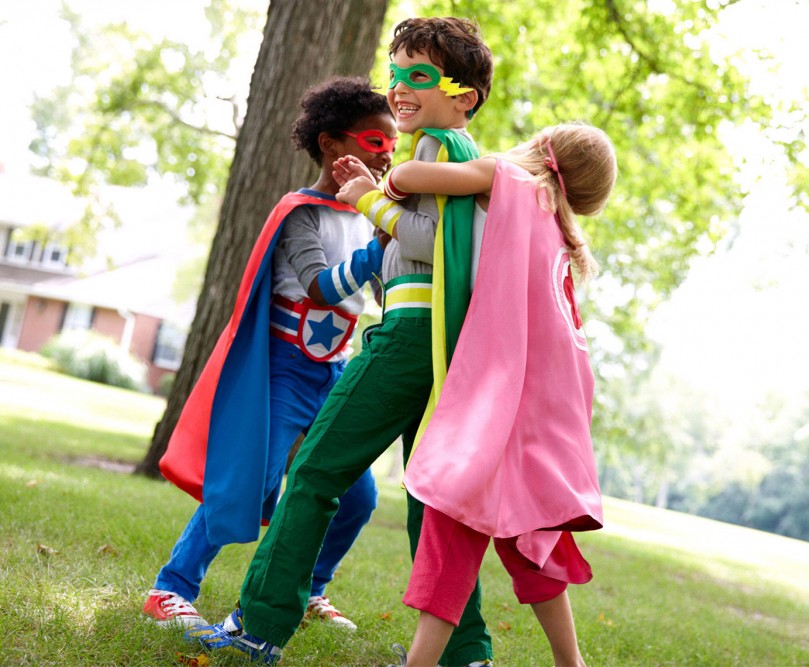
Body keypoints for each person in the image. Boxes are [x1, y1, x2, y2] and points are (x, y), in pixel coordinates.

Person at [184, 17, 496, 667]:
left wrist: (366, 199)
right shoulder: (463, 152)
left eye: (419, 75)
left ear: (463, 95)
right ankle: (465, 653)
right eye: (395, 72)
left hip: (411, 334)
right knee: (432, 501)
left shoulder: (435, 147)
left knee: (315, 473)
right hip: (447, 342)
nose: (400, 87)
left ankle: (258, 625)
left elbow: (429, 242)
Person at [339, 122, 616, 667]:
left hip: (499, 397)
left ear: (543, 148)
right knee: (530, 536)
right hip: (551, 407)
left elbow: (411, 174)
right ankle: (572, 664)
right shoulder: (556, 227)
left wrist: (372, 192)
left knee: (451, 521)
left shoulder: (507, 176)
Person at [144, 77, 396, 632]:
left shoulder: (369, 217)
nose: (387, 156)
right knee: (250, 479)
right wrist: (380, 247)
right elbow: (321, 288)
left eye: (393, 147)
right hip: (283, 369)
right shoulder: (301, 212)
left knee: (357, 497)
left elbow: (386, 293)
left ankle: (311, 588)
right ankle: (171, 587)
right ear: (330, 144)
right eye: (375, 142)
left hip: (335, 374)